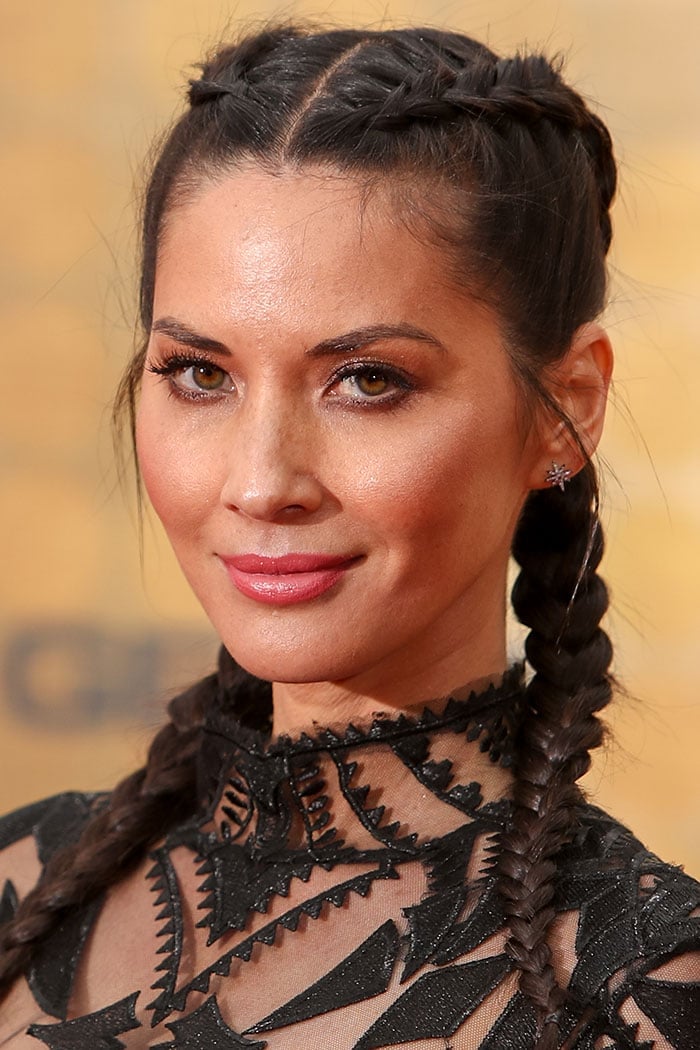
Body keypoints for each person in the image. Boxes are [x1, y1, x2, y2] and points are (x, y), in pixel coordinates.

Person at [0, 23, 697, 1050]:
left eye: (368, 381)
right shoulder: (22, 887)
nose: (259, 481)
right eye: (201, 374)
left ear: (565, 409)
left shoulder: (629, 991)